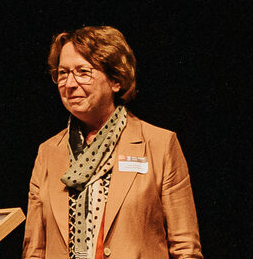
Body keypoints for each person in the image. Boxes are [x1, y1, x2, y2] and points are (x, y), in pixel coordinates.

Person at [23, 26, 201, 259]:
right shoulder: (48, 152)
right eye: (63, 73)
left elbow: (185, 248)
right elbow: (34, 252)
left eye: (83, 72)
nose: (70, 83)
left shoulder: (159, 144)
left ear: (116, 80)